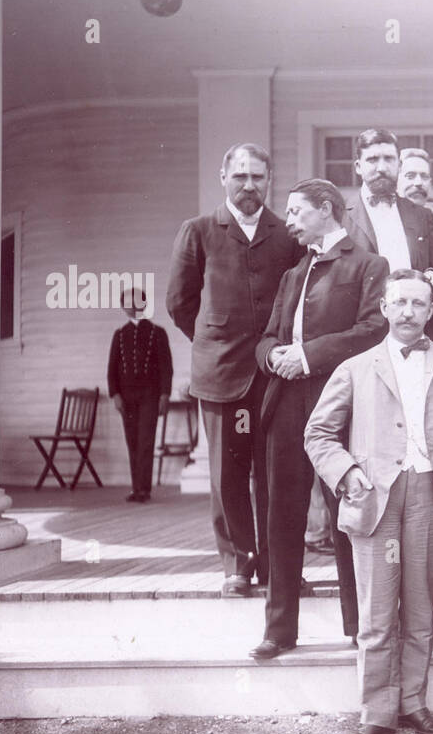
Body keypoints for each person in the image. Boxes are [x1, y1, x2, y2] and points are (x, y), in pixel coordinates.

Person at [305, 270, 433, 734]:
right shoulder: (355, 367)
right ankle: (376, 714)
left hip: (430, 496)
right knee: (377, 615)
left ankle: (413, 703)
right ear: (383, 308)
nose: (408, 312)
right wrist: (346, 472)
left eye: (418, 304)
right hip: (374, 496)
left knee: (421, 609)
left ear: (431, 311)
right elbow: (318, 433)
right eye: (399, 303)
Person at [250, 179, 388, 660]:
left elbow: (374, 329)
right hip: (286, 404)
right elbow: (265, 339)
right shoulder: (293, 274)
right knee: (281, 514)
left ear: (326, 209)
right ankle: (279, 629)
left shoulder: (368, 265)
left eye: (295, 211)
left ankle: (358, 626)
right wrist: (276, 359)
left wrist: (307, 356)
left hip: (340, 404)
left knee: (346, 513)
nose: (286, 220)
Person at [166, 141, 302, 597]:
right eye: (240, 176)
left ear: (269, 182)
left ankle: (276, 568)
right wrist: (214, 341)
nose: (249, 185)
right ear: (224, 178)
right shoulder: (199, 231)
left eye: (258, 177)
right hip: (221, 376)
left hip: (274, 376)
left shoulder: (287, 235)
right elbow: (180, 303)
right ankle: (238, 567)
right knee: (228, 473)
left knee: (275, 472)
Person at [343, 128, 433, 343]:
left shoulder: (421, 215)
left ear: (399, 165)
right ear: (358, 167)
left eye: (389, 159)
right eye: (372, 159)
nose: (382, 167)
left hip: (415, 333)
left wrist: (430, 280)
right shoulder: (340, 217)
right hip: (360, 340)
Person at [106, 300, 172, 503]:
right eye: (126, 303)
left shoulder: (157, 333)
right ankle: (137, 489)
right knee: (132, 442)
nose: (130, 307)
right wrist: (115, 394)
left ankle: (145, 490)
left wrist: (164, 395)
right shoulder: (119, 334)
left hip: (149, 397)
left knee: (145, 442)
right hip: (126, 398)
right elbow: (112, 369)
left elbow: (166, 368)